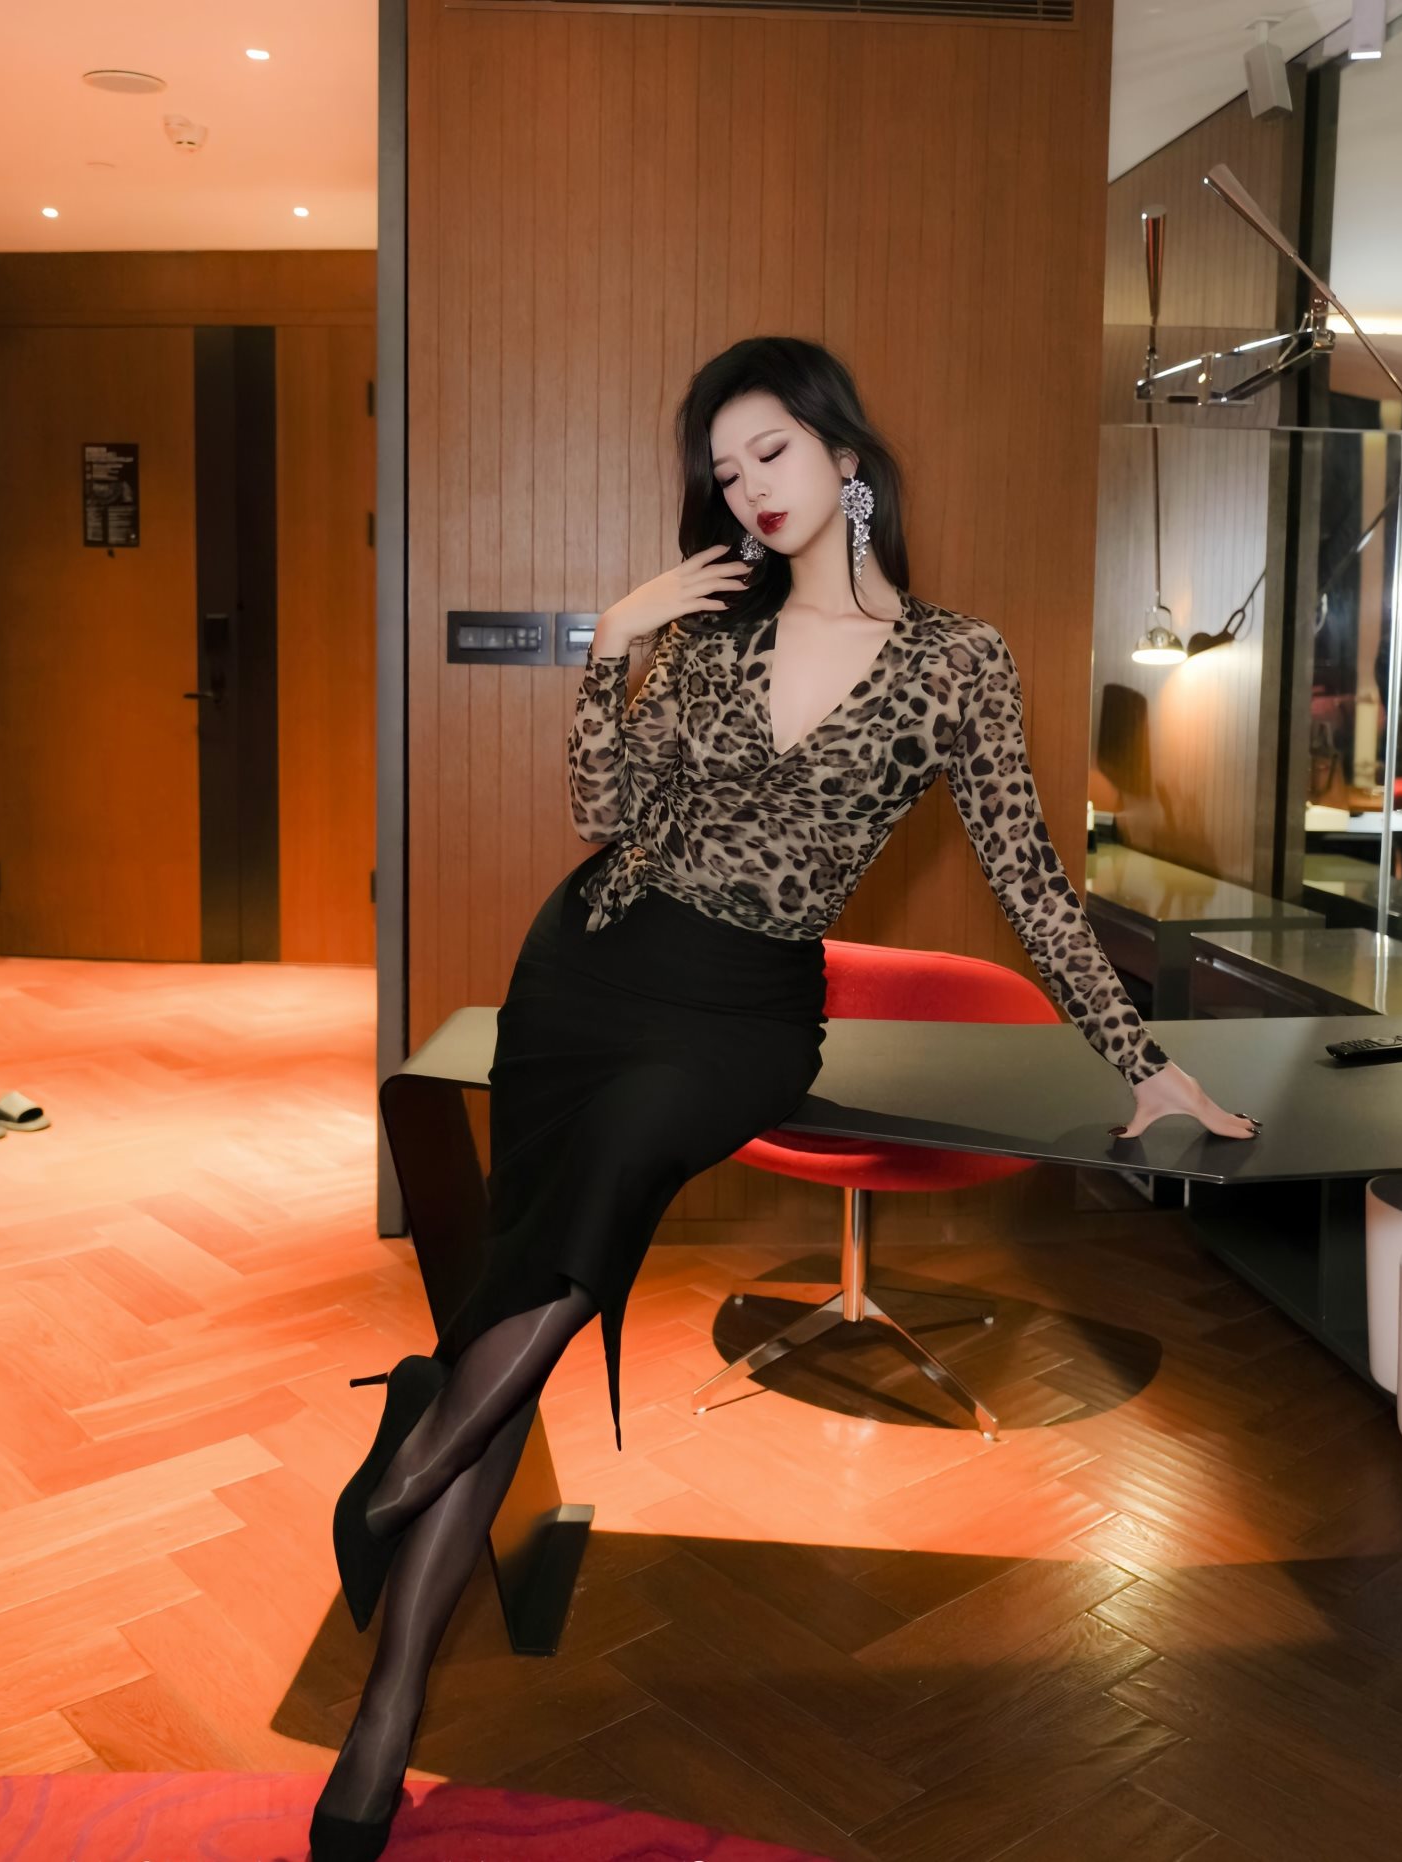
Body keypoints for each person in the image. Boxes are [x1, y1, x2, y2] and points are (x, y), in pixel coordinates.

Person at [309, 335, 1259, 1857]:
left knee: (588, 1205)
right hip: (591, 968)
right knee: (527, 1302)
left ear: (844, 457)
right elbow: (603, 810)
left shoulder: (956, 660)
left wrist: (1144, 1062)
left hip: (746, 1007)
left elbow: (1030, 879)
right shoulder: (705, 635)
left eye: (772, 450)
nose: (748, 486)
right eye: (725, 467)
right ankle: (386, 1712)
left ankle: (412, 1458)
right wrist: (613, 643)